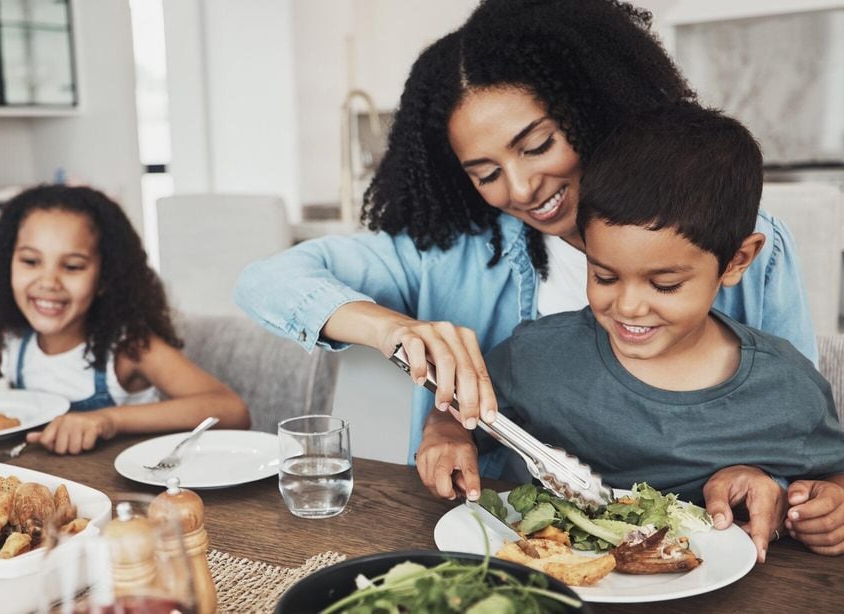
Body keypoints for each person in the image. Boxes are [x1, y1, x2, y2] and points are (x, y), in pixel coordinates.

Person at [235, 0, 814, 522]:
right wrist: (397, 331)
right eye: (486, 173)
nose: (521, 188)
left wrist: (767, 480)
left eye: (537, 146)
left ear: (591, 109)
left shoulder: (738, 240)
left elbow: (793, 429)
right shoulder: (453, 251)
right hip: (512, 537)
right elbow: (267, 279)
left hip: (701, 548)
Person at [482, 104, 844, 562]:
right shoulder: (537, 353)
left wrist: (829, 508)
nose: (628, 306)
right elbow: (468, 409)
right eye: (605, 276)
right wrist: (446, 435)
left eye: (665, 284)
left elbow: (832, 476)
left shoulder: (788, 389)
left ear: (737, 261)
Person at [0, 185, 249, 454]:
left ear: (105, 278)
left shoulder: (129, 347)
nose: (48, 282)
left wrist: (108, 420)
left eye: (72, 266)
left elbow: (229, 408)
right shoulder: (15, 340)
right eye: (30, 261)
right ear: (5, 264)